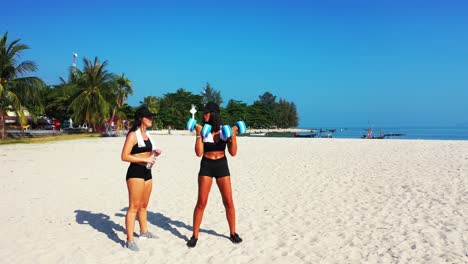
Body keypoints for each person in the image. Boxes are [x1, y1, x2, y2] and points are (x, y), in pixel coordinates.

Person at [186, 102, 243, 248]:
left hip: (222, 165)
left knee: (228, 201)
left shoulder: (225, 130)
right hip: (206, 165)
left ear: (213, 114)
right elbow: (199, 153)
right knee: (202, 202)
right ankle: (195, 235)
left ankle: (233, 233)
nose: (203, 115)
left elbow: (233, 153)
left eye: (205, 112)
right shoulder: (204, 130)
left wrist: (234, 135)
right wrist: (198, 135)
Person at [121, 106, 161, 251]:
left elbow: (147, 154)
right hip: (135, 172)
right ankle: (129, 239)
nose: (151, 119)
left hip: (147, 172)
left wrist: (155, 153)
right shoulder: (132, 135)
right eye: (149, 117)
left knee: (144, 205)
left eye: (152, 116)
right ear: (141, 119)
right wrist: (145, 160)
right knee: (133, 207)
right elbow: (124, 156)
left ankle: (144, 232)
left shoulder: (148, 135)